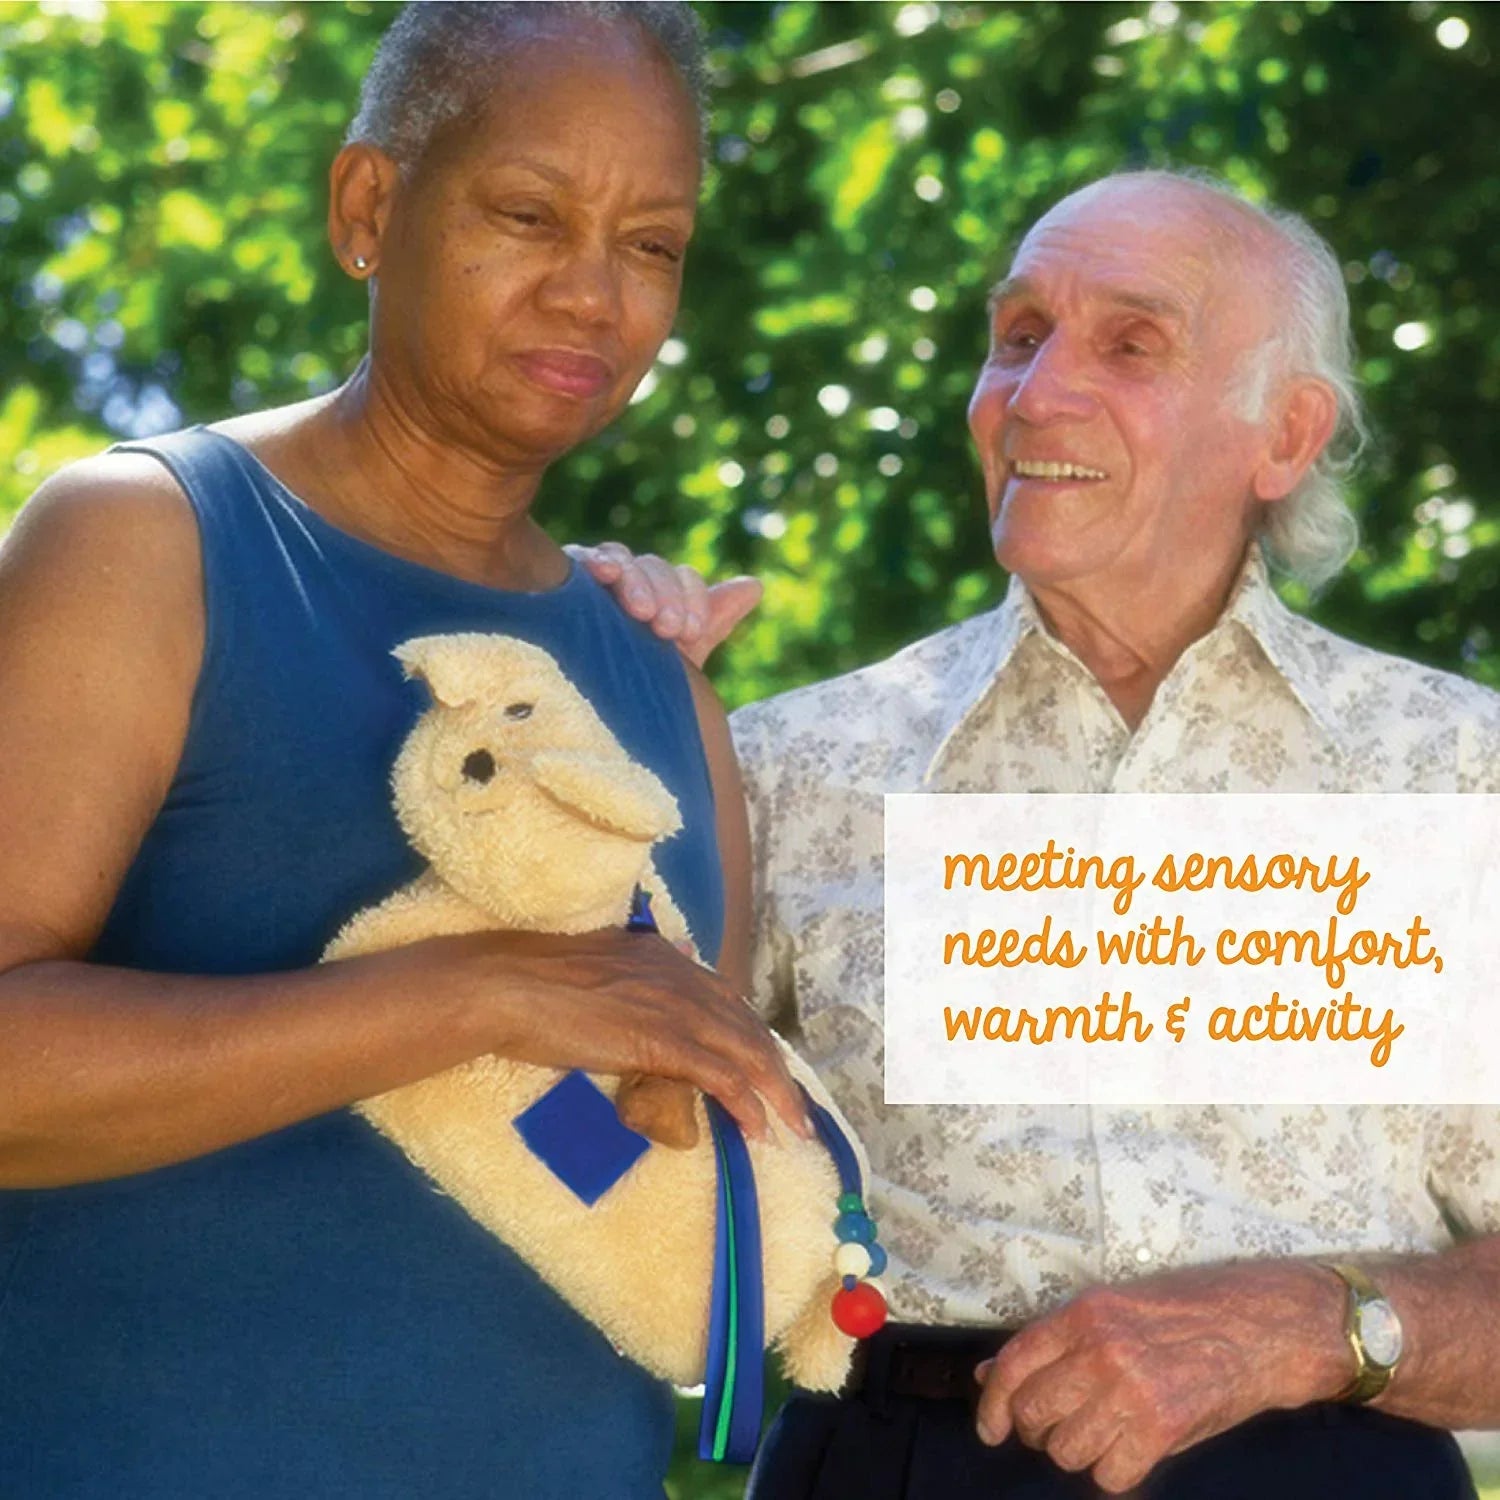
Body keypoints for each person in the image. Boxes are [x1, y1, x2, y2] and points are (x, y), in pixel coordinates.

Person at [580, 170, 1500, 1499]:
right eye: (1019, 336)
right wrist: (610, 727)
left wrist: (1311, 1327)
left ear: (1286, 436)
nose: (1036, 393)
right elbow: (604, 1173)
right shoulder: (793, 762)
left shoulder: (1456, 771)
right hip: (897, 1459)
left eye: (1132, 344)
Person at [0, 5, 813, 1497]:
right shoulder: (146, 541)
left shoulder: (672, 698)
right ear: (369, 208)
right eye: (529, 215)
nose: (592, 295)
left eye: (652, 244)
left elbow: (676, 1188)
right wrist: (482, 992)